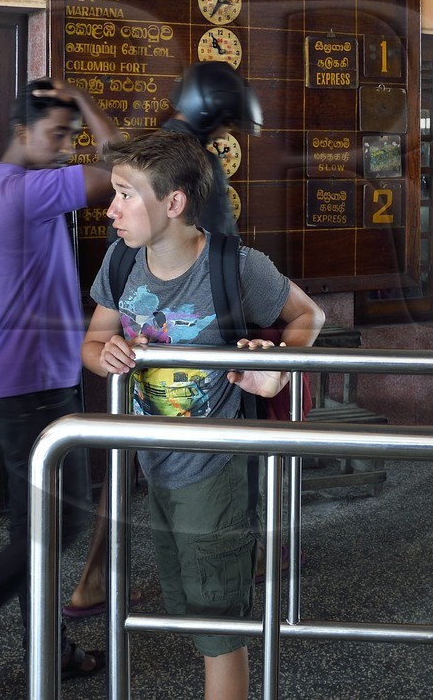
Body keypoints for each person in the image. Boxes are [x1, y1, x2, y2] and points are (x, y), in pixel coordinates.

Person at [81, 130, 324, 700]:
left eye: (124, 194)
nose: (111, 208)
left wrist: (278, 363)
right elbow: (93, 343)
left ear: (173, 203)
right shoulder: (121, 262)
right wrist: (104, 354)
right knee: (190, 610)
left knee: (220, 629)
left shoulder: (234, 266)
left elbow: (307, 315)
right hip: (152, 466)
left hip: (215, 470)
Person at [0, 78, 121, 680]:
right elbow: (126, 170)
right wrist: (84, 97)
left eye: (70, 138)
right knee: (57, 526)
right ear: (22, 134)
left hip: (24, 377)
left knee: (44, 527)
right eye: (56, 136)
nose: (64, 148)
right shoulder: (30, 189)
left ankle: (49, 654)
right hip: (29, 384)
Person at [162, 61, 262, 237]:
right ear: (208, 113)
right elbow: (219, 243)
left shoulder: (137, 153)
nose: (224, 136)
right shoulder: (202, 165)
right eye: (226, 123)